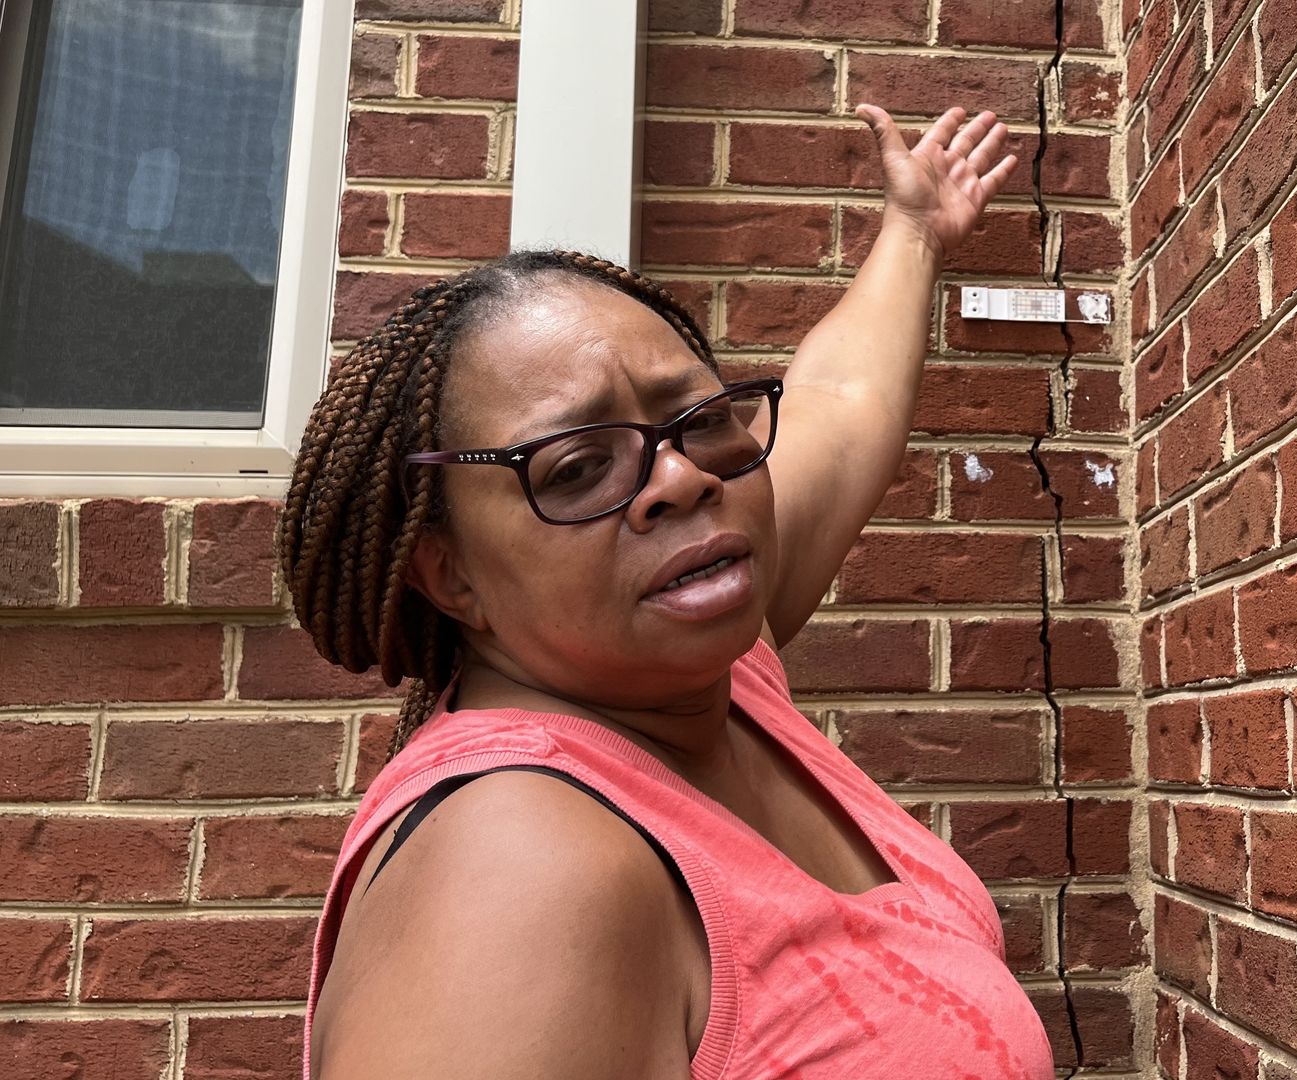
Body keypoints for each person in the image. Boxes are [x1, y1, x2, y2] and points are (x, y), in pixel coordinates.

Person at [284, 104, 1054, 1078]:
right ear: (453, 576)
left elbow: (839, 407)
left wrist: (914, 230)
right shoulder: (520, 866)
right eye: (574, 469)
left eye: (698, 418)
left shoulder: (722, 678)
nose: (683, 477)